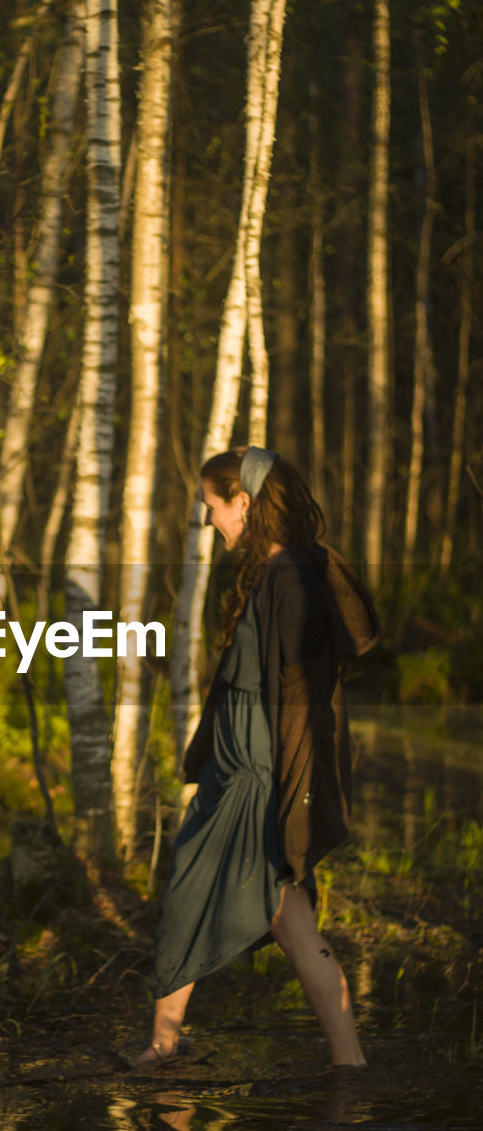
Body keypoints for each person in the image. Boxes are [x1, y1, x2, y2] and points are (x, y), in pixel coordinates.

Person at [136, 445, 380, 1069]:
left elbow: (301, 699)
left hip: (255, 783)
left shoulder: (289, 580)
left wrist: (291, 794)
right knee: (287, 925)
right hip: (234, 776)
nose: (209, 520)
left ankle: (166, 1047)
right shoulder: (271, 575)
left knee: (204, 898)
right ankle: (345, 1066)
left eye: (212, 508)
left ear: (242, 503)